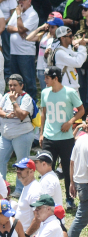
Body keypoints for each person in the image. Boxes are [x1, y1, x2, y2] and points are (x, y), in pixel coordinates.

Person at [40, 65, 83, 207]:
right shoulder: (45, 92)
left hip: (66, 139)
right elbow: (43, 114)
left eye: (47, 77)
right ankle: (46, 199)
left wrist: (70, 122)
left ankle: (69, 198)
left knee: (67, 169)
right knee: (45, 169)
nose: (44, 80)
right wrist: (41, 133)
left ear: (55, 78)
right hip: (48, 137)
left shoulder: (70, 92)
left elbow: (82, 110)